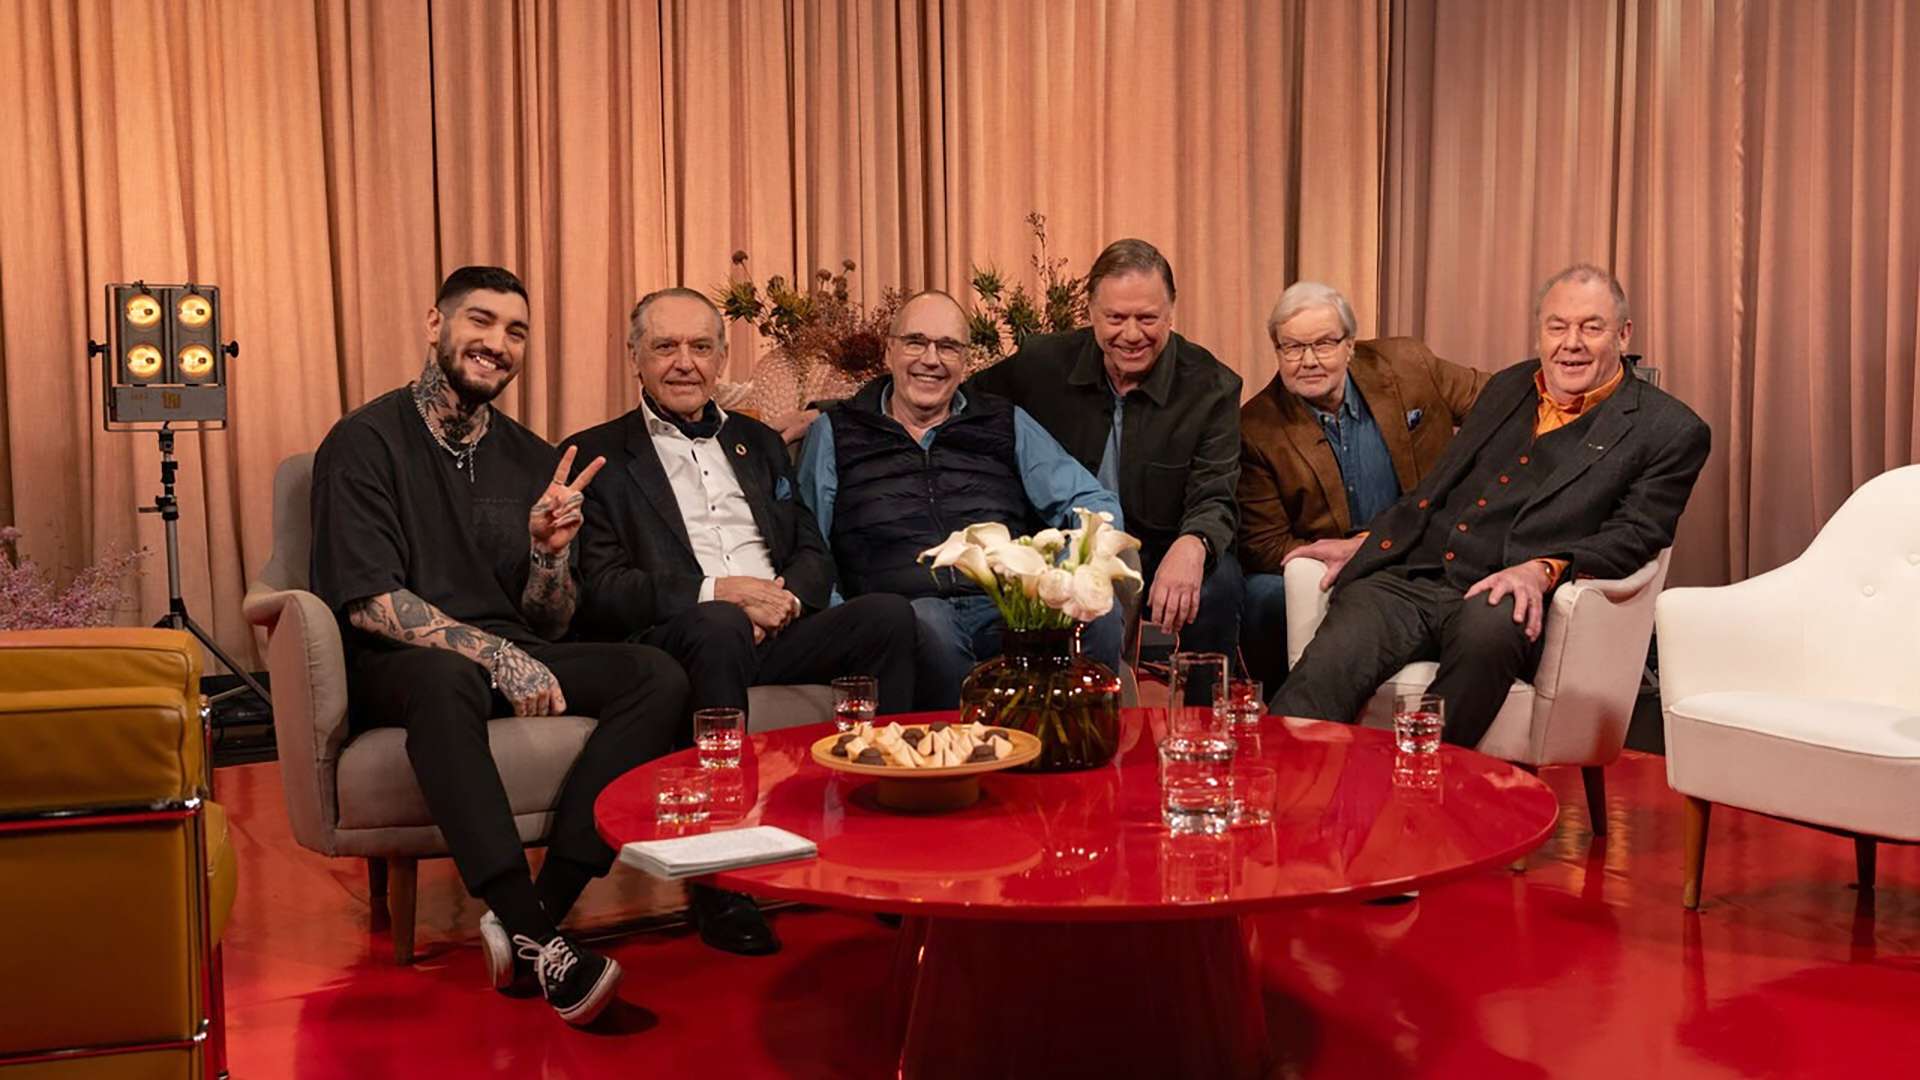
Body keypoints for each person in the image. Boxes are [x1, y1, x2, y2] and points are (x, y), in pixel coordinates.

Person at [310, 266, 690, 1026]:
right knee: (444, 679)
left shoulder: (530, 457)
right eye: (480, 321)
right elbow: (370, 601)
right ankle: (538, 935)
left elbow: (550, 623)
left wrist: (549, 554)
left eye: (515, 331)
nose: (497, 343)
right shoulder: (365, 441)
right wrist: (492, 654)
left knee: (656, 674)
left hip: (510, 652)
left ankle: (542, 911)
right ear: (435, 325)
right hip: (401, 665)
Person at [567, 287, 918, 955]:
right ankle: (720, 879)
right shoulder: (598, 455)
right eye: (665, 346)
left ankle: (884, 840)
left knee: (889, 617)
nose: (684, 362)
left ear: (723, 357)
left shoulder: (757, 442)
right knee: (719, 625)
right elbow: (605, 589)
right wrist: (722, 594)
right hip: (683, 637)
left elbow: (811, 547)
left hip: (774, 624)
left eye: (701, 347)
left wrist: (782, 599)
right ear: (634, 356)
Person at [1272, 264, 1710, 748]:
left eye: (1591, 328)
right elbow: (1437, 488)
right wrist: (1367, 541)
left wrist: (1542, 570)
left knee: (1489, 632)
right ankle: (1282, 778)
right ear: (1540, 333)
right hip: (1417, 578)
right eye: (1557, 327)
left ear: (1623, 335)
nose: (1571, 344)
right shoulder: (1511, 384)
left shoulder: (1669, 430)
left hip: (1508, 596)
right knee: (1336, 651)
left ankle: (1423, 781)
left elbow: (1637, 535)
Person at [795, 290, 1125, 709]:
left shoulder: (1004, 421)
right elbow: (810, 543)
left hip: (1008, 607)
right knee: (929, 619)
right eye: (915, 342)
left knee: (1101, 613)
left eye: (948, 346)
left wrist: (1068, 574)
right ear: (889, 352)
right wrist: (848, 621)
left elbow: (1092, 502)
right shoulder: (836, 432)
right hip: (907, 613)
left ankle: (1076, 743)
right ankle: (964, 746)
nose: (931, 359)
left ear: (966, 361)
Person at [968, 238, 1243, 657]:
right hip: (1057, 552)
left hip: (1158, 553)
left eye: (1147, 318)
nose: (1131, 335)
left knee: (1218, 583)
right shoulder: (1041, 364)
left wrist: (1195, 542)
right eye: (1115, 318)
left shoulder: (1212, 387)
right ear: (1091, 312)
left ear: (1171, 312)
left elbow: (1216, 493)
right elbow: (963, 405)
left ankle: (1200, 699)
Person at [1237, 281, 1488, 689]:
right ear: (1277, 351)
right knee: (1264, 595)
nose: (1308, 361)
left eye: (1324, 344)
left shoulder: (1406, 364)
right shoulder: (1257, 428)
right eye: (1293, 347)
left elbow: (1496, 401)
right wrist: (1352, 558)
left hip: (1425, 546)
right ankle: (1290, 711)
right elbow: (1264, 545)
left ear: (1350, 346)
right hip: (1333, 566)